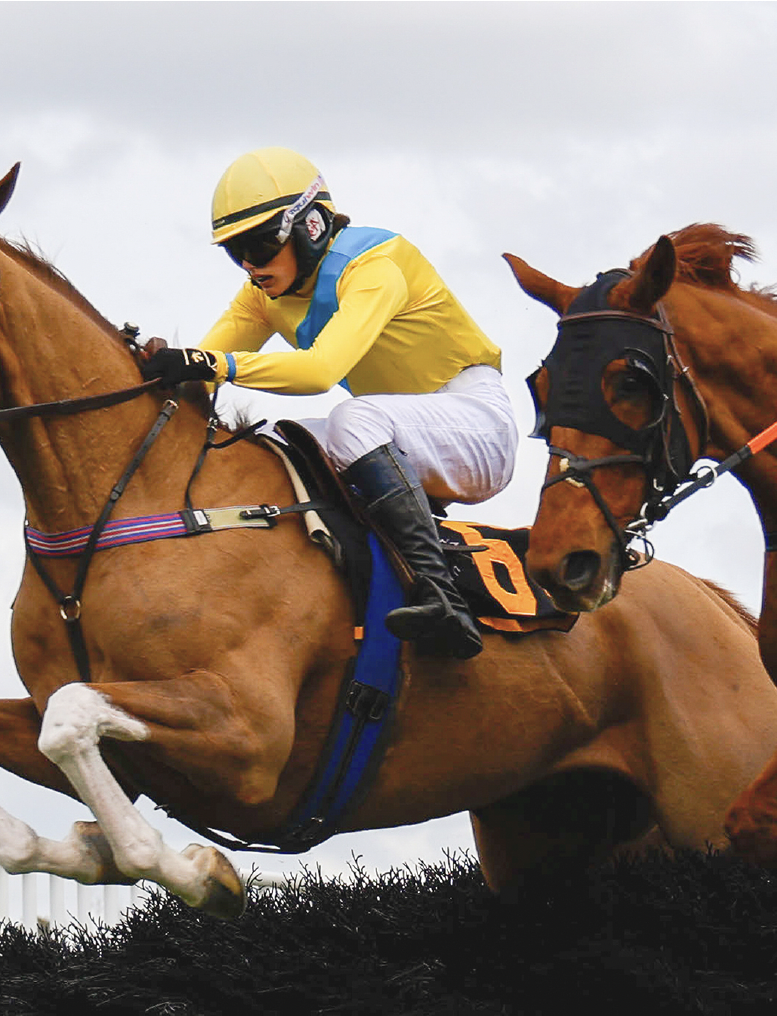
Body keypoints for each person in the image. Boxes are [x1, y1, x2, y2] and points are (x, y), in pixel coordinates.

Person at [142, 147, 517, 659]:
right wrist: (150, 375)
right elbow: (201, 374)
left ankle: (441, 597)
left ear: (310, 225)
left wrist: (213, 366)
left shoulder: (375, 267)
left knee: (350, 418)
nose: (251, 265)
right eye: (236, 251)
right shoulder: (263, 294)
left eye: (259, 243)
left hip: (476, 423)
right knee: (269, 441)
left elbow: (319, 372)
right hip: (402, 435)